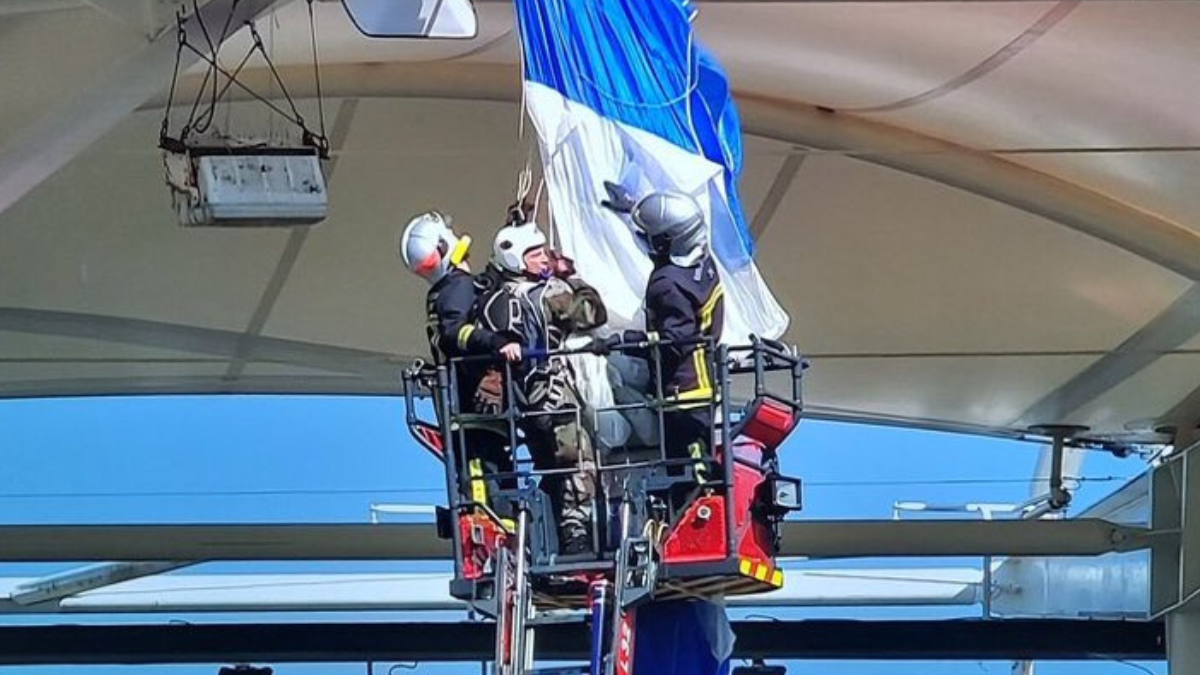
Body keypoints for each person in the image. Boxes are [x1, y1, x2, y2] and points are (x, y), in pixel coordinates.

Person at [477, 218, 607, 555]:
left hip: (525, 404)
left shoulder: (489, 303)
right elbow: (593, 314)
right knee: (579, 464)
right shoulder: (551, 293)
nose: (543, 259)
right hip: (555, 395)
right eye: (534, 254)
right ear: (518, 259)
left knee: (550, 466)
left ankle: (550, 538)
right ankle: (576, 537)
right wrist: (572, 276)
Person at [594, 190, 724, 481]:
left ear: (666, 241)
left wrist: (620, 342)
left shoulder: (668, 285)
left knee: (689, 475)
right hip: (701, 383)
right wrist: (633, 209)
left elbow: (673, 342)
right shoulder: (702, 263)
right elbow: (667, 241)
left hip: (683, 393)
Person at [399, 210, 521, 516]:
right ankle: (495, 521)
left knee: (488, 470)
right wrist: (496, 343)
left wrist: (512, 232)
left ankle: (500, 520)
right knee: (485, 477)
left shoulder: (447, 290)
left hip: (463, 407)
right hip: (472, 407)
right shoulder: (456, 288)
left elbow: (482, 286)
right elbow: (457, 332)